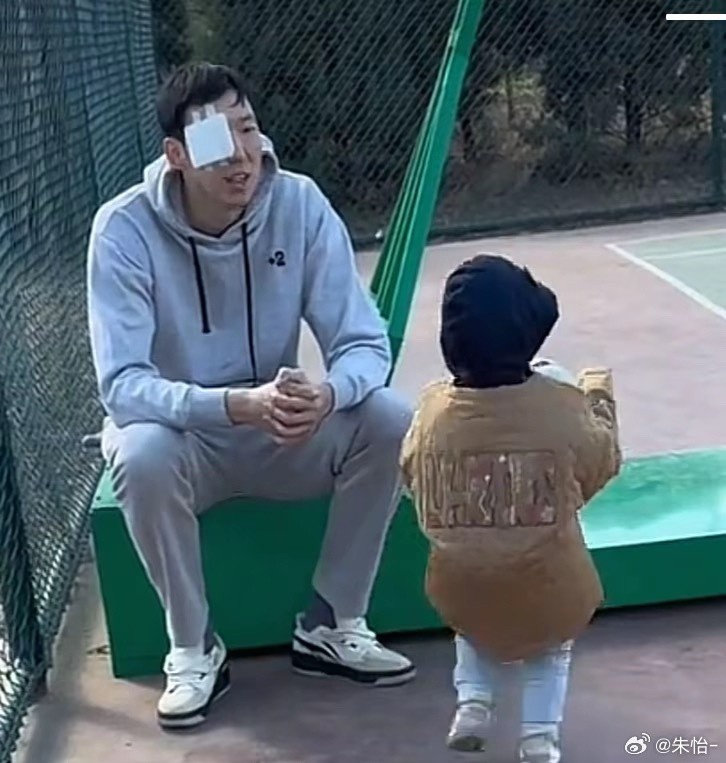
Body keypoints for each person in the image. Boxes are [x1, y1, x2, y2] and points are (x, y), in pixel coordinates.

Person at [86, 62, 416, 730]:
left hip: (281, 436)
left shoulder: (299, 204)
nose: (240, 155)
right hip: (188, 444)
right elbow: (122, 386)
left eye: (248, 129)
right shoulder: (122, 229)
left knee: (388, 416)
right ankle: (193, 646)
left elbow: (363, 343)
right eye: (216, 140)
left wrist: (327, 394)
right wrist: (232, 405)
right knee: (140, 451)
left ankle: (332, 622)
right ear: (177, 155)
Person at [399, 254, 621, 763]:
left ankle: (473, 703)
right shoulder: (558, 407)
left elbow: (411, 473)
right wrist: (595, 391)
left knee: (473, 624)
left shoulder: (433, 412)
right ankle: (539, 738)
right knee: (551, 647)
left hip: (461, 586)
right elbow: (600, 462)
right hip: (549, 587)